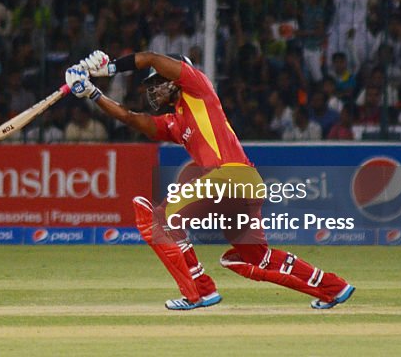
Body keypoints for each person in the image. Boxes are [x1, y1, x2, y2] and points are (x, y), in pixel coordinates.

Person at [67, 50, 354, 310]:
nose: (153, 89)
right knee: (253, 258)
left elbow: (151, 57)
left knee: (158, 219)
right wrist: (92, 93)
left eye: (158, 82)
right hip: (244, 183)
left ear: (177, 77)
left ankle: (200, 291)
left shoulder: (197, 87)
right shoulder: (176, 122)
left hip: (229, 177)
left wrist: (110, 69)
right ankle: (333, 287)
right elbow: (131, 118)